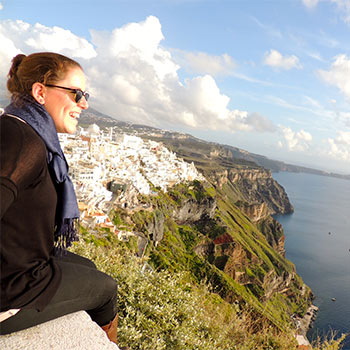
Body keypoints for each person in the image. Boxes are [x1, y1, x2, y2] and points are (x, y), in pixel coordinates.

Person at [0, 52, 119, 343]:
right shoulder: (24, 142)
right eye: (76, 94)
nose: (85, 104)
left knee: (88, 268)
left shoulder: (21, 129)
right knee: (107, 290)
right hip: (13, 286)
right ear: (40, 92)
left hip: (23, 262)